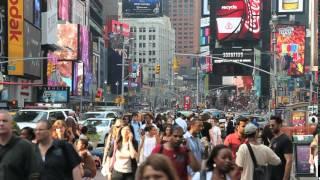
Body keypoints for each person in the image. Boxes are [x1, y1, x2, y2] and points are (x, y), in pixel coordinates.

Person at [0, 110, 40, 180]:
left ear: (12, 124)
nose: (1, 123)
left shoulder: (25, 146)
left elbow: (34, 174)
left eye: (4, 121)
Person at [268, 116, 293, 180]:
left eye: (273, 125)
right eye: (270, 125)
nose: (271, 127)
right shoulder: (273, 139)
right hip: (271, 175)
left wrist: (285, 178)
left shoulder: (285, 140)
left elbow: (289, 161)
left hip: (280, 176)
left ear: (279, 125)